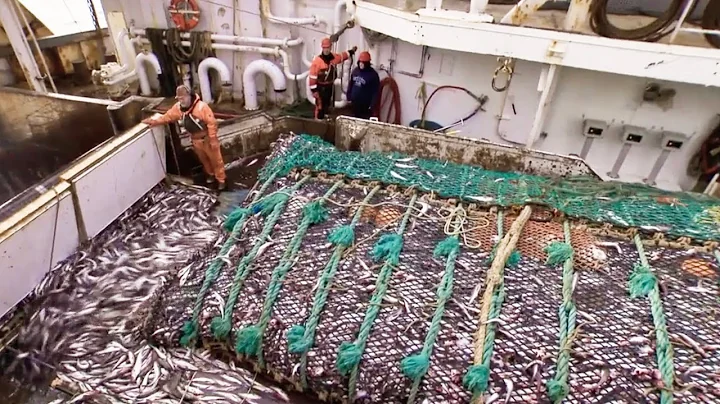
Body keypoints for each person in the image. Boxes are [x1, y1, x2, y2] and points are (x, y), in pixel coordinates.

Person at [142, 85, 227, 191]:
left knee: (216, 161)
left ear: (189, 96)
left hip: (207, 139)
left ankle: (221, 180)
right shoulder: (178, 108)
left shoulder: (202, 107)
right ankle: (210, 174)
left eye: (183, 98)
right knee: (204, 160)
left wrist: (213, 139)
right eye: (179, 98)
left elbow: (212, 123)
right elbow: (168, 117)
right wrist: (154, 121)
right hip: (195, 140)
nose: (181, 100)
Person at [309, 38, 356, 120]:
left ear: (330, 47)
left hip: (329, 87)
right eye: (324, 48)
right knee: (320, 106)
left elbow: (342, 56)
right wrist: (314, 91)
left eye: (327, 47)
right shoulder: (317, 61)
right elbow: (312, 76)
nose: (326, 50)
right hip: (320, 88)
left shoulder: (334, 57)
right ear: (322, 48)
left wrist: (351, 51)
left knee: (328, 104)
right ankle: (318, 121)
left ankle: (326, 119)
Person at [346, 51, 380, 120]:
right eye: (360, 62)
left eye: (363, 62)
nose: (361, 64)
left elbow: (375, 92)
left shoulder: (373, 75)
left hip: (365, 106)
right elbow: (351, 84)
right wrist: (348, 96)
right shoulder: (355, 71)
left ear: (367, 63)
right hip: (354, 104)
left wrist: (372, 105)